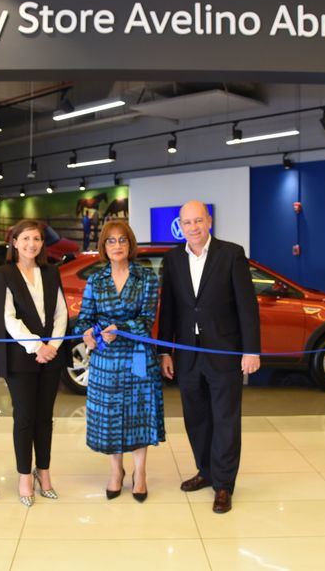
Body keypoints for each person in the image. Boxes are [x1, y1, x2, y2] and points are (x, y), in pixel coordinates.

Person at [158, 200, 260, 514]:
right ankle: (206, 470)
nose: (193, 228)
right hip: (188, 355)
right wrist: (165, 349)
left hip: (224, 353)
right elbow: (170, 309)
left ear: (209, 221)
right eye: (187, 223)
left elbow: (247, 305)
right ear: (181, 226)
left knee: (226, 419)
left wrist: (251, 349)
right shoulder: (173, 259)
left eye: (198, 221)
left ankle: (224, 484)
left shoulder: (231, 254)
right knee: (196, 418)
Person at [74, 220, 165, 502]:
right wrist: (88, 333)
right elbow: (84, 319)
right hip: (105, 360)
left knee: (138, 414)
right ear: (103, 246)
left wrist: (120, 330)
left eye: (122, 240)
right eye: (111, 241)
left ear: (130, 244)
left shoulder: (146, 277)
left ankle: (140, 473)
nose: (117, 246)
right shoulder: (96, 280)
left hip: (137, 357)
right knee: (111, 417)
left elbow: (148, 319)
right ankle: (116, 472)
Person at [0, 220, 70, 507]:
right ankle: (25, 475)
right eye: (25, 239)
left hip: (51, 355)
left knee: (44, 418)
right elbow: (7, 318)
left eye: (36, 239)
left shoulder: (50, 272)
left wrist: (53, 346)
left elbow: (61, 312)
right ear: (14, 242)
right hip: (21, 357)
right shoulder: (3, 274)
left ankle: (44, 472)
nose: (31, 244)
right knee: (24, 418)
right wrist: (37, 345)